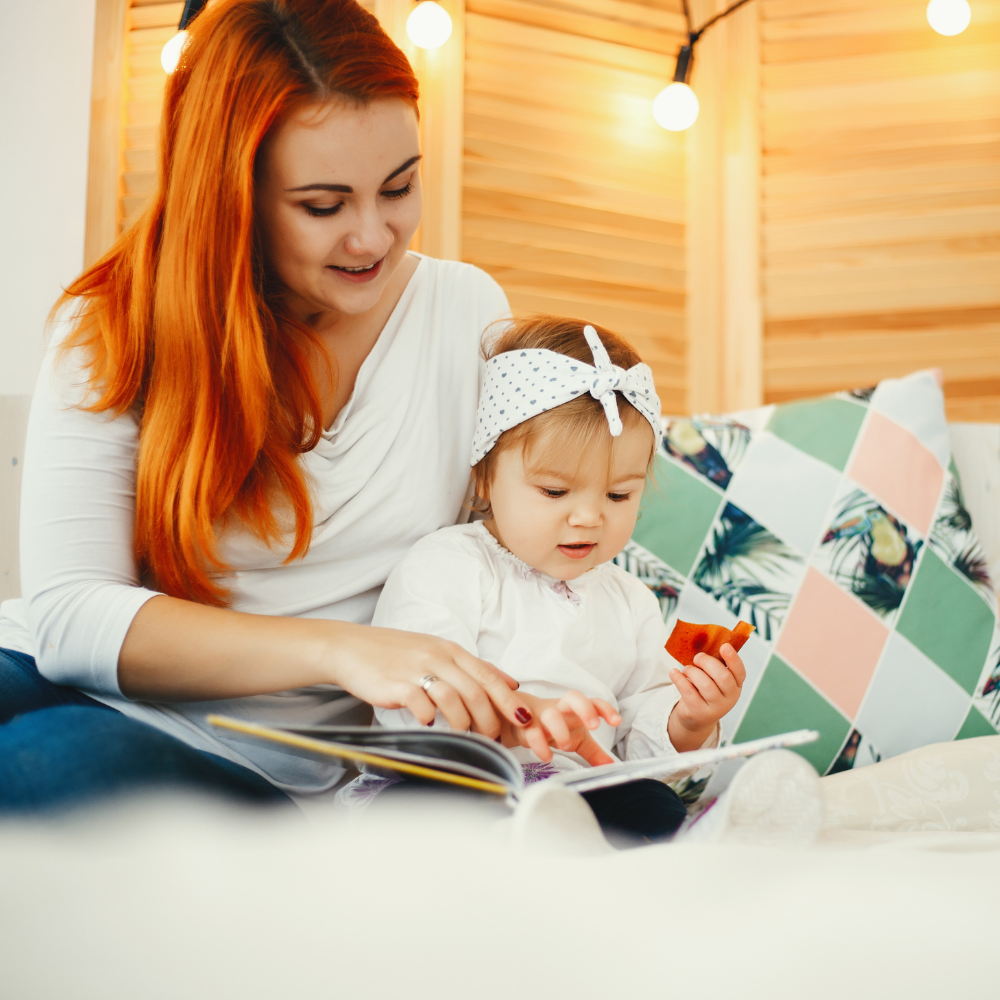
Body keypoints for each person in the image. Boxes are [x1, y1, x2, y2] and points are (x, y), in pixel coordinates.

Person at [0, 0, 570, 814]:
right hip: (66, 674)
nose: (373, 237)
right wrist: (345, 651)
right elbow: (69, 618)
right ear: (230, 196)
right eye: (322, 206)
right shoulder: (116, 325)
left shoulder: (464, 311)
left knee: (41, 767)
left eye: (399, 187)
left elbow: (530, 541)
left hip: (266, 759)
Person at [362, 317, 748, 843]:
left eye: (618, 496)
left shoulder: (630, 601)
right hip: (463, 782)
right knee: (428, 807)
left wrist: (691, 719)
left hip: (577, 794)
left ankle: (729, 830)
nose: (589, 518)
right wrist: (519, 719)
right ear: (484, 476)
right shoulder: (448, 565)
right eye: (553, 491)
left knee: (652, 804)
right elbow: (415, 697)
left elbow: (639, 746)